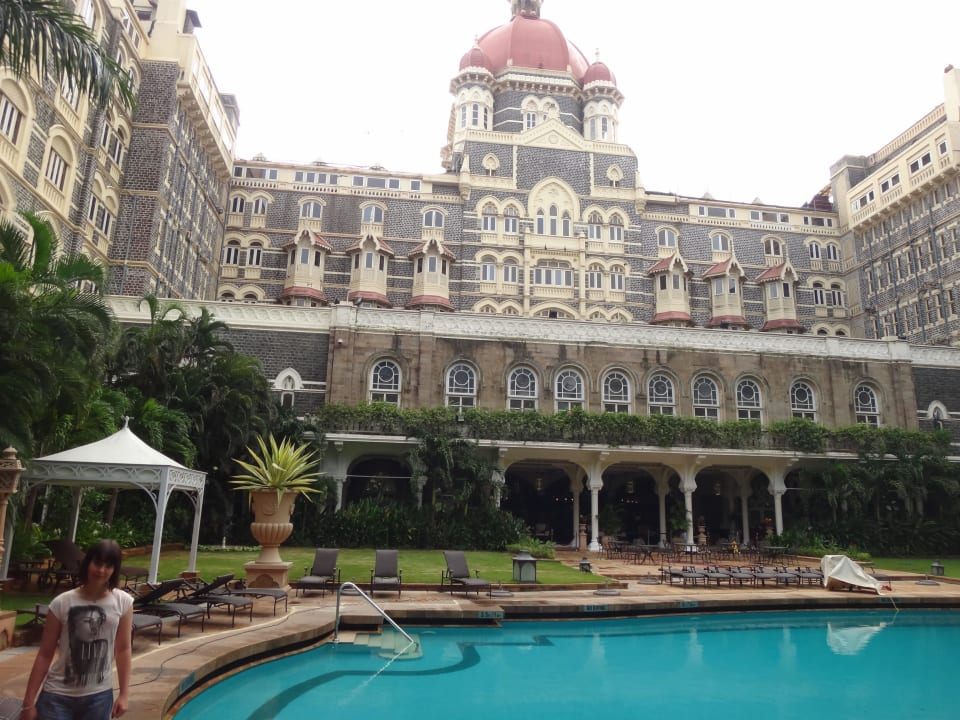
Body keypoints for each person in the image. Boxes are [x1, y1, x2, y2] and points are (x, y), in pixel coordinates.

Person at [21, 539, 133, 719]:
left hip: (99, 698)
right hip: (56, 697)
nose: (101, 570)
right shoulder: (62, 602)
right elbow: (45, 653)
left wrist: (124, 695)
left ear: (114, 570)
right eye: (97, 563)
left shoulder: (123, 602)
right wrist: (28, 704)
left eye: (108, 565)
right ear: (88, 563)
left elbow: (123, 650)